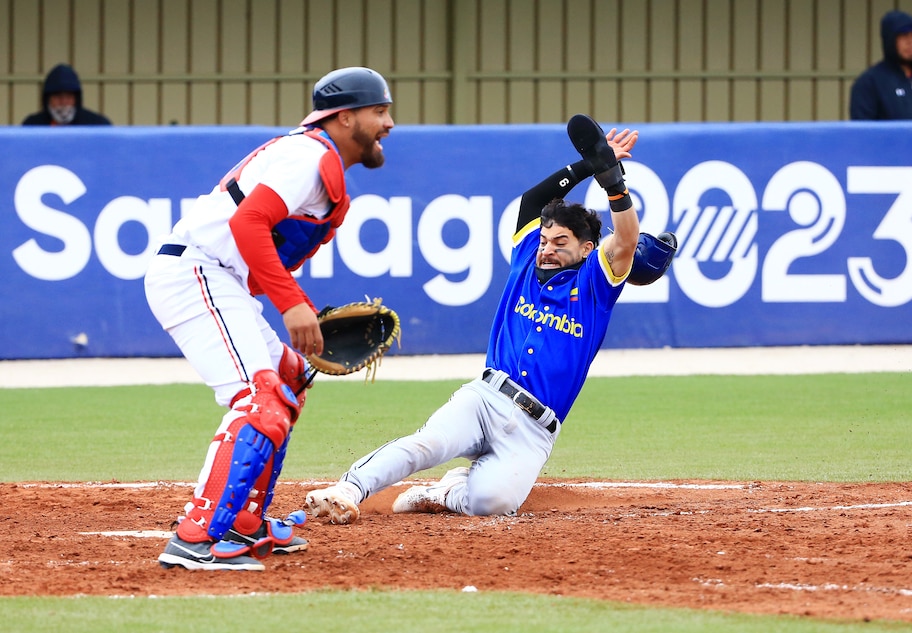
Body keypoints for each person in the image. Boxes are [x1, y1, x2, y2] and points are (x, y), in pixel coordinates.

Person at [304, 115, 676, 524]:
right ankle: (345, 490)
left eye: (560, 242)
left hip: (535, 430)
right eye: (545, 239)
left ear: (588, 248)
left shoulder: (595, 285)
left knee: (493, 504)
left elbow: (625, 239)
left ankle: (449, 492)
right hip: (485, 398)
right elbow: (532, 203)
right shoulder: (523, 262)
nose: (546, 248)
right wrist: (588, 165)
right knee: (427, 445)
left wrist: (612, 182)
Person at [143, 66, 395, 570]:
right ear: (345, 117)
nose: (389, 123)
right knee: (259, 399)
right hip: (195, 272)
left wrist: (283, 300)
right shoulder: (308, 156)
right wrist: (292, 303)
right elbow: (248, 221)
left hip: (218, 277)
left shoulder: (317, 160)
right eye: (380, 111)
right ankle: (196, 538)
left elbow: (257, 244)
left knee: (290, 376)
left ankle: (244, 523)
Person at [850, 10, 912, 120]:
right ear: (890, 40)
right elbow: (862, 132)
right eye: (904, 36)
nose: (910, 42)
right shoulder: (869, 83)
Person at [21, 63, 112, 126]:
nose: (64, 102)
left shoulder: (96, 125)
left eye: (69, 97)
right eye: (57, 97)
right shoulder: (32, 125)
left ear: (77, 99)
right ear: (47, 99)